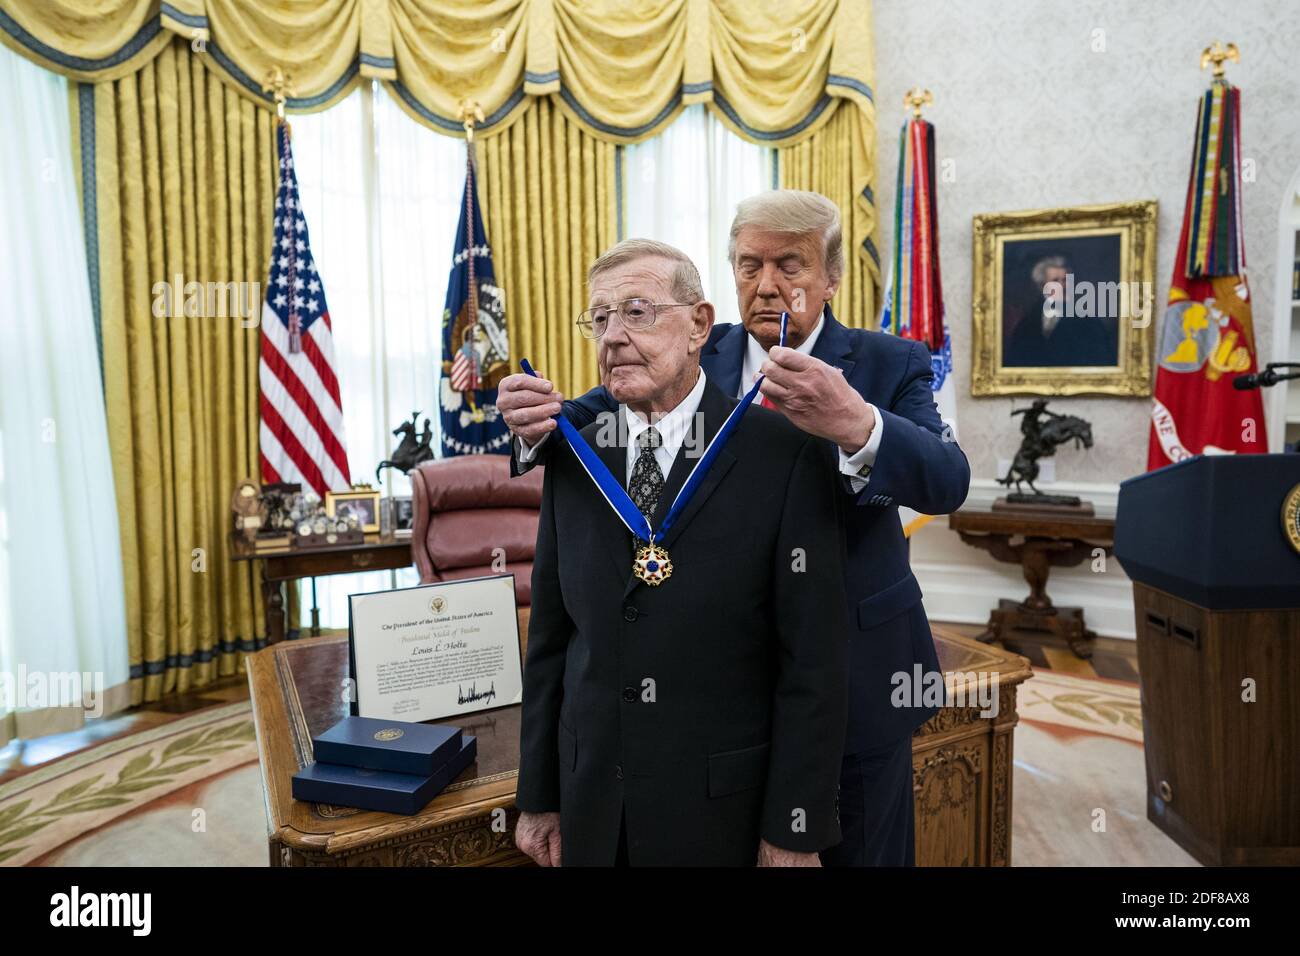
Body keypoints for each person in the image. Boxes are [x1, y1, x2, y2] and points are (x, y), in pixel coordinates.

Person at [500, 190, 971, 866]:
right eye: (750, 266)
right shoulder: (697, 348)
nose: (768, 284)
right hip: (726, 696)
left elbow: (948, 479)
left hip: (857, 675)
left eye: (790, 265)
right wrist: (527, 428)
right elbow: (604, 407)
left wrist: (857, 425)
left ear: (830, 279)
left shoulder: (889, 362)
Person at [513, 238, 849, 867]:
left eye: (637, 311)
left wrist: (794, 829)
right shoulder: (573, 456)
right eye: (600, 318)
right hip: (592, 810)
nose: (612, 336)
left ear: (699, 324)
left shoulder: (785, 454)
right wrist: (538, 796)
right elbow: (553, 642)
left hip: (723, 813)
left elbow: (813, 664)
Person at [1003, 256, 1117, 367]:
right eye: (1055, 281)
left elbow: (1102, 362)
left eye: (1066, 280)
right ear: (1042, 286)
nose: (1063, 286)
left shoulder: (1090, 322)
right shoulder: (1026, 324)